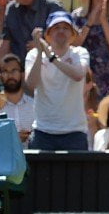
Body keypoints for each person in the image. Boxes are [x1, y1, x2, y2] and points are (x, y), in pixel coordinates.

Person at [24, 11, 91, 149]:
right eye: (56, 27)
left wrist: (52, 58)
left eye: (66, 28)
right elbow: (31, 84)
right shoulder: (33, 55)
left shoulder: (80, 53)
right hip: (43, 132)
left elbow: (78, 75)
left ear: (73, 34)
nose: (61, 31)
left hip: (74, 133)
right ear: (47, 34)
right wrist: (40, 53)